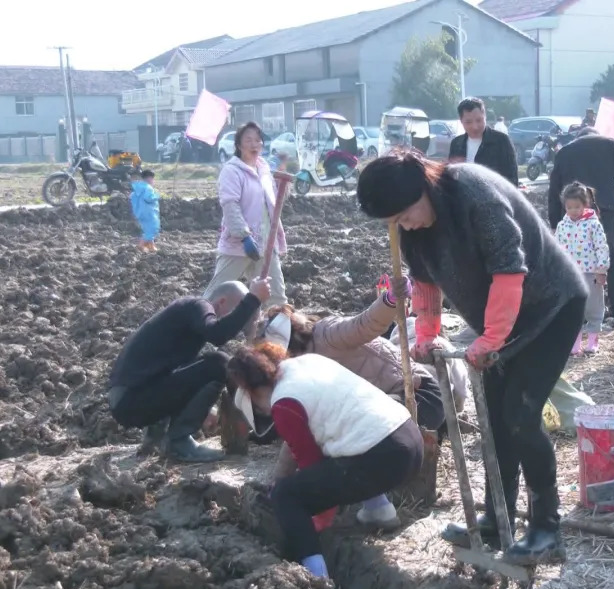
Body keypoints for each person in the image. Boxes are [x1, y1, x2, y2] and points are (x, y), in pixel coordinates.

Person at [356, 152, 587, 565]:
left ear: (423, 188)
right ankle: (498, 520)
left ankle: (546, 529)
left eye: (406, 214)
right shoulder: (411, 227)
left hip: (551, 306)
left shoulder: (473, 195)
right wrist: (427, 333)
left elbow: (510, 270)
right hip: (501, 320)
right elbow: (424, 281)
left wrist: (492, 338)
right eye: (395, 221)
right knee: (494, 419)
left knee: (520, 415)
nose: (405, 225)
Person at [228, 344, 423, 580]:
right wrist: (282, 477)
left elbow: (312, 464)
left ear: (251, 392)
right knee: (344, 444)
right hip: (408, 438)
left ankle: (316, 577)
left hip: (382, 457)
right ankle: (379, 510)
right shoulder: (307, 363)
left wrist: (316, 515)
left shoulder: (283, 403)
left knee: (286, 495)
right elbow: (308, 444)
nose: (263, 412)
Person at [252, 277, 448, 438]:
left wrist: (389, 300)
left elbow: (364, 325)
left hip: (418, 395)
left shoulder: (326, 334)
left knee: (350, 427)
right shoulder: (300, 365)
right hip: (386, 402)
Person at [107, 279, 270, 462]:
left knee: (203, 365)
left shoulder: (186, 325)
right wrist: (253, 299)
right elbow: (218, 334)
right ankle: (179, 441)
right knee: (220, 363)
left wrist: (202, 406)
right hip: (130, 399)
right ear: (221, 302)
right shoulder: (197, 305)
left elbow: (184, 378)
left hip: (127, 399)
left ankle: (156, 435)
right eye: (232, 313)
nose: (235, 324)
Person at [204, 121, 288, 309]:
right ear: (239, 145)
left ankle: (274, 335)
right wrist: (243, 235)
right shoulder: (232, 171)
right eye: (248, 140)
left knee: (276, 297)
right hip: (239, 244)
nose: (254, 144)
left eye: (258, 140)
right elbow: (230, 204)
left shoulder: (264, 169)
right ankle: (198, 329)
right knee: (217, 294)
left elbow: (271, 202)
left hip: (266, 242)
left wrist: (285, 187)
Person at [549, 130, 614, 325]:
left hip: (572, 216)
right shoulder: (611, 144)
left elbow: (554, 189)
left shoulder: (565, 151)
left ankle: (580, 315)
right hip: (606, 209)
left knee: (574, 265)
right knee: (611, 258)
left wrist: (554, 223)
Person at [555, 182, 610, 355]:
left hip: (590, 272)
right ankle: (575, 339)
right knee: (573, 306)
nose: (573, 211)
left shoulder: (593, 224)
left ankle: (593, 338)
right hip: (571, 274)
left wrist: (601, 270)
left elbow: (602, 247)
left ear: (585, 205)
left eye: (577, 207)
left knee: (593, 304)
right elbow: (556, 248)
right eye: (569, 207)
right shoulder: (562, 226)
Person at [447, 97, 519, 186]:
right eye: (468, 122)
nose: (475, 126)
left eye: (479, 120)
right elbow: (450, 180)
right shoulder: (456, 144)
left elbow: (512, 181)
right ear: (461, 121)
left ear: (485, 116)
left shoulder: (502, 141)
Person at [131, 169, 160, 252]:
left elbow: (132, 198)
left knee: (148, 229)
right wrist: (157, 195)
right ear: (149, 178)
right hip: (149, 212)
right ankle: (141, 245)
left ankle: (151, 246)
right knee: (152, 229)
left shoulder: (137, 188)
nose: (153, 181)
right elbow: (148, 198)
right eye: (152, 179)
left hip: (139, 212)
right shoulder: (148, 188)